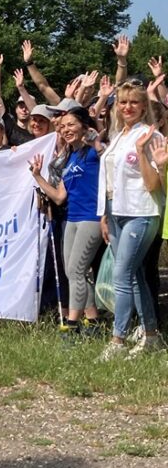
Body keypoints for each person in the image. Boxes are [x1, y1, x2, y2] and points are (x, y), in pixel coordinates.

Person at [96, 81, 165, 360]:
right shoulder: (117, 137)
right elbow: (111, 179)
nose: (128, 107)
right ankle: (151, 336)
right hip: (114, 210)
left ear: (144, 106)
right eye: (123, 102)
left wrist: (141, 151)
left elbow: (154, 185)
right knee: (135, 277)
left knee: (122, 275)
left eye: (134, 102)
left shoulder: (152, 136)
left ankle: (118, 340)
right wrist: (104, 214)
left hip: (140, 211)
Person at [29, 107, 103, 335]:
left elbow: (100, 141)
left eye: (71, 125)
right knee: (73, 272)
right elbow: (60, 197)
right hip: (72, 218)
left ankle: (72, 325)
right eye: (63, 127)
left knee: (76, 270)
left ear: (83, 125)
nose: (66, 130)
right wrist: (38, 176)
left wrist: (90, 131)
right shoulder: (70, 158)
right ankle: (93, 321)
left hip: (92, 218)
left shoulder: (94, 151)